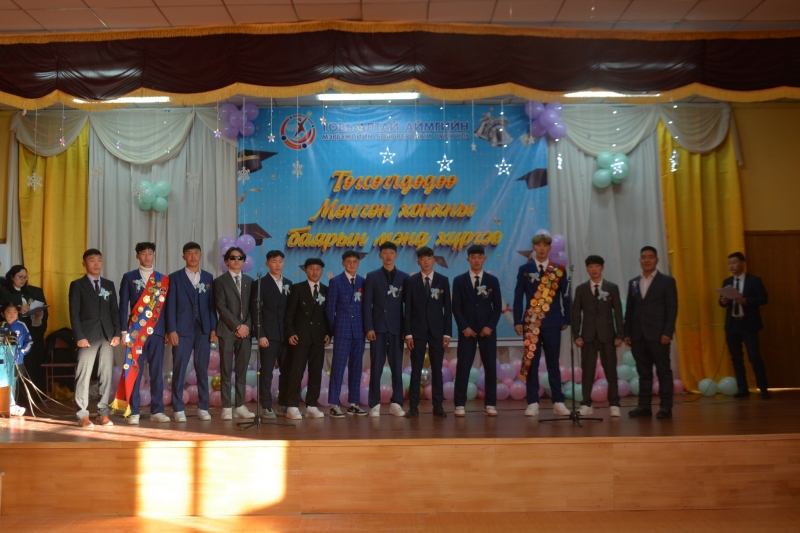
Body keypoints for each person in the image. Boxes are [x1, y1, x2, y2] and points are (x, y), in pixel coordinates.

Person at [513, 233, 571, 417]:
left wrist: (566, 319)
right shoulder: (525, 269)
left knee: (553, 363)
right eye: (538, 245)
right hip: (531, 323)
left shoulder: (558, 270)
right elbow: (518, 297)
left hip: (553, 323)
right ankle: (532, 402)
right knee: (531, 363)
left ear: (549, 248)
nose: (541, 249)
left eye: (545, 246)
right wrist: (517, 321)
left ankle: (558, 401)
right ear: (534, 248)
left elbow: (566, 297)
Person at [115, 242, 171, 425]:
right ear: (137, 256)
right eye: (143, 253)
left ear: (154, 255)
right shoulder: (129, 277)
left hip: (158, 332)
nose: (147, 257)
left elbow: (167, 308)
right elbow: (123, 306)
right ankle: (134, 411)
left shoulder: (163, 279)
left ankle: (157, 411)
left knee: (156, 373)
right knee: (134, 372)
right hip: (135, 333)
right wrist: (124, 331)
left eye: (150, 253)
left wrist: (168, 331)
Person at [165, 242, 218, 422]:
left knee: (202, 368)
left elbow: (212, 306)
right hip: (181, 330)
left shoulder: (208, 277)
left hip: (203, 329)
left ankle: (203, 407)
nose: (193, 256)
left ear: (200, 255)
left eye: (196, 253)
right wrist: (172, 330)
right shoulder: (175, 277)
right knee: (179, 368)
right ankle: (178, 408)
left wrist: (213, 328)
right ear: (183, 257)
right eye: (189, 253)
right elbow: (170, 306)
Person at [68, 249, 121, 429]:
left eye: (99, 260)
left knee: (106, 375)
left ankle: (103, 413)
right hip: (87, 336)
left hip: (107, 335)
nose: (96, 263)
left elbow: (114, 311)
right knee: (83, 375)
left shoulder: (108, 284)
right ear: (84, 263)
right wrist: (79, 336)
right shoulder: (77, 285)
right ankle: (82, 414)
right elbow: (74, 313)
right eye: (92, 260)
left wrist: (117, 333)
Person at [624, 246, 678, 419]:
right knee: (643, 372)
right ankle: (644, 406)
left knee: (663, 371)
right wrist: (627, 332)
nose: (647, 260)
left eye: (650, 257)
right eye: (644, 257)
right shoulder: (633, 283)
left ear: (657, 260)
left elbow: (672, 309)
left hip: (659, 335)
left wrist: (668, 332)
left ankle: (666, 407)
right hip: (638, 336)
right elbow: (630, 310)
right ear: (640, 260)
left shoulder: (667, 281)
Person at [452, 245, 502, 417]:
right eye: (473, 257)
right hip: (467, 331)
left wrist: (490, 326)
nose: (476, 260)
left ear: (484, 259)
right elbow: (456, 307)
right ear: (468, 259)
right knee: (463, 367)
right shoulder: (459, 281)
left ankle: (490, 404)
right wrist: (464, 327)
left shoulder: (492, 281)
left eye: (479, 257)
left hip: (487, 331)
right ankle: (459, 404)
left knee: (490, 367)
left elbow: (497, 308)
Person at [571, 255, 624, 417]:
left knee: (611, 370)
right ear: (587, 269)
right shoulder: (581, 289)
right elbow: (576, 314)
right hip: (588, 336)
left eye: (597, 266)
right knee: (587, 370)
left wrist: (620, 334)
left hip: (607, 335)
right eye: (590, 266)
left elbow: (618, 313)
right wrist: (576, 334)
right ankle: (586, 404)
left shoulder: (611, 287)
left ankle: (614, 403)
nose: (593, 269)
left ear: (602, 268)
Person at [404, 246, 452, 418]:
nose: (426, 262)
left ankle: (437, 405)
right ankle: (413, 406)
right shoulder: (411, 281)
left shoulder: (442, 280)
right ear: (418, 261)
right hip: (417, 332)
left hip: (437, 332)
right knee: (416, 369)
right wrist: (408, 334)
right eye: (422, 259)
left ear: (434, 260)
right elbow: (407, 309)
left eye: (429, 258)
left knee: (437, 369)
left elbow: (447, 308)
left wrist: (447, 333)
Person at [363, 241, 408, 417]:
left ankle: (396, 403)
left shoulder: (404, 278)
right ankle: (374, 404)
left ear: (396, 255)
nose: (388, 256)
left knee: (397, 368)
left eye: (391, 252)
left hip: (397, 329)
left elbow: (408, 307)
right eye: (385, 252)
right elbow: (367, 305)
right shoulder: (372, 277)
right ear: (380, 255)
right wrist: (369, 327)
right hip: (378, 329)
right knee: (376, 368)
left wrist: (407, 330)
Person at [284, 258, 331, 420]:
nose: (315, 272)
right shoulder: (297, 288)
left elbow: (328, 315)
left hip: (318, 338)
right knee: (296, 372)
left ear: (322, 271)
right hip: (300, 338)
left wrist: (329, 333)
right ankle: (292, 406)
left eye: (318, 269)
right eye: (311, 268)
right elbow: (289, 314)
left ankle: (312, 405)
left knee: (316, 373)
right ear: (306, 270)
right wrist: (290, 333)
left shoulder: (326, 290)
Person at [719, 252, 770, 400]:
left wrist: (746, 301)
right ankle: (743, 388)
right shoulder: (727, 281)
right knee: (736, 359)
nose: (731, 266)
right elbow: (721, 303)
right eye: (729, 263)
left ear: (742, 263)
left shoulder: (754, 281)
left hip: (748, 325)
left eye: (734, 262)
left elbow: (764, 299)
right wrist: (723, 301)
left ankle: (763, 389)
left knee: (754, 357)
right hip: (732, 325)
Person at [249, 250, 293, 420]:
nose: (278, 264)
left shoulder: (288, 283)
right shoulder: (260, 284)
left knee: (286, 371)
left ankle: (283, 404)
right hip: (268, 335)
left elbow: (290, 311)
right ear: (267, 263)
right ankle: (266, 405)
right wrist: (261, 334)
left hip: (286, 335)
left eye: (280, 261)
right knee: (266, 371)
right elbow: (256, 311)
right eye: (274, 261)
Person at [214, 246, 255, 421]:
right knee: (225, 369)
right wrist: (238, 326)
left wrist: (246, 326)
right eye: (232, 258)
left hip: (245, 332)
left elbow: (253, 307)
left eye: (240, 258)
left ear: (243, 260)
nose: (236, 261)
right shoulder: (220, 281)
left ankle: (240, 405)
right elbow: (221, 306)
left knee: (241, 370)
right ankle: (226, 406)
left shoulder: (250, 281)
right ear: (226, 261)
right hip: (227, 330)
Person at [326, 250, 368, 418]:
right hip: (342, 331)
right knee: (338, 368)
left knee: (356, 368)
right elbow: (330, 309)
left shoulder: (363, 282)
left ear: (358, 263)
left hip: (359, 331)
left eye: (354, 262)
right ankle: (334, 404)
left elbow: (366, 308)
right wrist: (331, 331)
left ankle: (353, 403)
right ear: (343, 263)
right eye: (348, 261)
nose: (352, 264)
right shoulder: (335, 281)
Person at [1, 266, 48, 394]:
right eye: (20, 277)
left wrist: (38, 316)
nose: (23, 280)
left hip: (31, 333)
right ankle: (13, 397)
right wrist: (18, 309)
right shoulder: (4, 292)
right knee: (12, 369)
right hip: (11, 335)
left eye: (25, 277)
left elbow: (42, 318)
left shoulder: (34, 292)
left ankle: (31, 395)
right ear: (12, 277)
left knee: (31, 366)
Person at [1, 301, 33, 417]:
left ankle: (11, 405)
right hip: (3, 362)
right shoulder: (1, 326)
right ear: (3, 314)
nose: (12, 314)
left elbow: (29, 342)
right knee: (3, 383)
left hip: (16, 361)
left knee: (12, 383)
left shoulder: (21, 326)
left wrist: (22, 352)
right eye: (8, 312)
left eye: (14, 312)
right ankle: (5, 406)